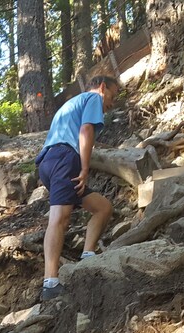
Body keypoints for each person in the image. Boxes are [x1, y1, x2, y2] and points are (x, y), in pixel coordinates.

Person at [35, 75, 120, 301]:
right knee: (60, 218)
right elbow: (85, 131)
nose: (113, 101)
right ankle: (50, 283)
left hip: (50, 162)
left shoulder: (71, 104)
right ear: (102, 88)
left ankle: (88, 254)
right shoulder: (92, 99)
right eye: (113, 94)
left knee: (102, 207)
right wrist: (84, 168)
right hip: (64, 158)